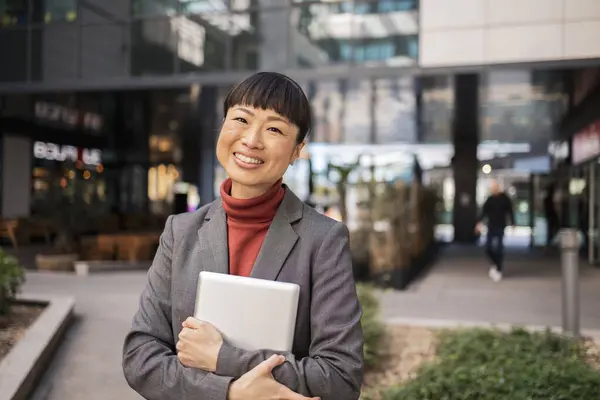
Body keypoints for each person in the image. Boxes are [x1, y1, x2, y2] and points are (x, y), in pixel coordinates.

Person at [122, 72, 364, 400]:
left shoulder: (323, 239)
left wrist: (223, 357)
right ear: (223, 126)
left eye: (274, 128)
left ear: (297, 150)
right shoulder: (180, 232)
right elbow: (140, 357)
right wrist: (231, 393)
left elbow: (339, 377)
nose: (251, 140)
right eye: (241, 119)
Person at [475, 180, 515, 282]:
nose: (494, 190)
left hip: (501, 226)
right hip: (491, 226)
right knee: (488, 247)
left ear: (499, 188)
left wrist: (513, 222)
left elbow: (510, 211)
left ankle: (499, 268)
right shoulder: (490, 199)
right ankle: (495, 263)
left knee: (499, 248)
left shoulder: (504, 199)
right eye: (492, 188)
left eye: (495, 188)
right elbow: (483, 211)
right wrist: (479, 223)